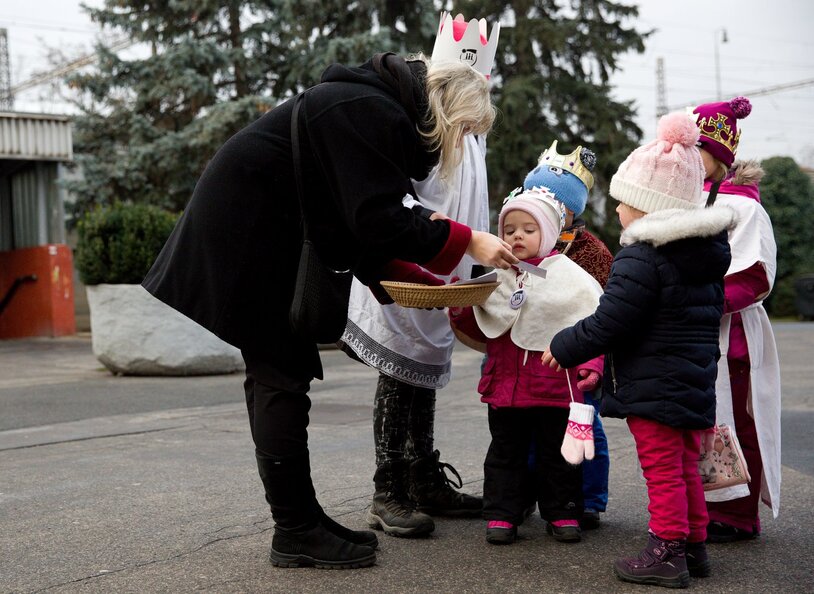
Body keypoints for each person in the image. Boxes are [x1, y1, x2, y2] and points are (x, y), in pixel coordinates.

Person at [142, 52, 518, 570]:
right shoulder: (371, 110)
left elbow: (349, 214)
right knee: (280, 374)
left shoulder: (369, 107)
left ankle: (302, 521)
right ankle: (295, 529)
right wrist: (468, 241)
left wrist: (411, 278)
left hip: (265, 230)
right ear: (448, 113)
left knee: (281, 373)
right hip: (250, 232)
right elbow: (375, 218)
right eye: (466, 130)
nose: (462, 144)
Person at [542, 111, 737, 588]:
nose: (618, 213)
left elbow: (613, 319)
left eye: (624, 202)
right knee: (687, 469)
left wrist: (565, 345)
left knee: (664, 472)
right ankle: (694, 547)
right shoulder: (704, 255)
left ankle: (666, 551)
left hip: (655, 385)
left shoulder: (643, 256)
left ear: (648, 206)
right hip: (692, 383)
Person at [340, 11, 500, 538]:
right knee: (399, 376)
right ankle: (388, 489)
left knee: (425, 375)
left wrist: (476, 261)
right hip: (406, 269)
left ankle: (422, 476)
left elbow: (471, 203)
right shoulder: (416, 130)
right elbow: (397, 201)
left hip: (447, 272)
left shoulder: (470, 139)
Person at [449, 186, 604, 545]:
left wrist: (592, 364)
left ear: (547, 233)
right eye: (509, 230)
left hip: (555, 389)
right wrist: (461, 304)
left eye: (528, 229)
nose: (517, 235)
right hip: (506, 388)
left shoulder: (572, 278)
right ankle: (503, 514)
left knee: (559, 456)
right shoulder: (498, 274)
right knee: (505, 455)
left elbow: (591, 323)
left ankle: (563, 512)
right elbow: (485, 326)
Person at [692, 96, 781, 543]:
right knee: (702, 421)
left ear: (720, 153)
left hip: (735, 336)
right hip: (695, 329)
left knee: (738, 421)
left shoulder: (745, 209)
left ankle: (741, 513)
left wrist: (701, 300)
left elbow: (755, 273)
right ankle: (708, 505)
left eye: (697, 149)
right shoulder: (691, 199)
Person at [523, 141, 614, 530]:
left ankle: (589, 498)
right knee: (526, 425)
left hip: (577, 354)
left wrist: (597, 360)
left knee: (584, 424)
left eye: (551, 202)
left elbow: (608, 308)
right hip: (528, 352)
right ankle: (527, 493)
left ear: (571, 210)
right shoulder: (523, 243)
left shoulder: (591, 252)